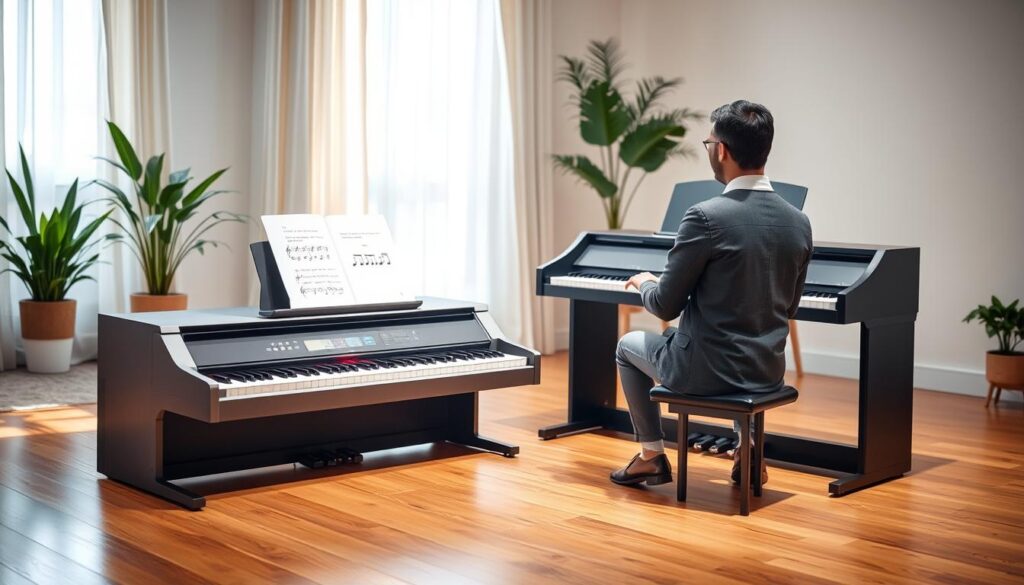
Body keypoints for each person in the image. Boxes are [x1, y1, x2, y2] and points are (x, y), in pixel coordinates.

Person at [610, 100, 812, 488]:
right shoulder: (799, 222)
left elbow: (664, 304)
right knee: (730, 342)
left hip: (706, 373)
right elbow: (790, 306)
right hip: (766, 370)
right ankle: (748, 446)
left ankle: (651, 455)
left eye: (708, 144)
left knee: (627, 345)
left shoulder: (705, 216)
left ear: (721, 150)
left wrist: (645, 281)